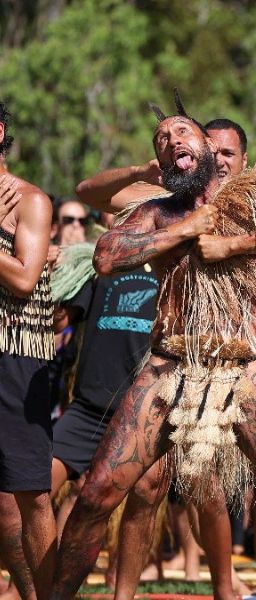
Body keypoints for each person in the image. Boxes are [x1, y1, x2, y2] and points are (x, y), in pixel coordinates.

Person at [50, 94, 256, 600]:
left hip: (248, 368)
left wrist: (233, 244)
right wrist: (185, 231)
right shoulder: (156, 211)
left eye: (180, 133)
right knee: (97, 495)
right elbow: (106, 256)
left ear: (210, 145)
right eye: (161, 140)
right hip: (170, 365)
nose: (171, 143)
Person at [0, 100, 57, 600]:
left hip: (16, 354)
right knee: (2, 509)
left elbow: (23, 278)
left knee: (31, 498)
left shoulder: (30, 201)